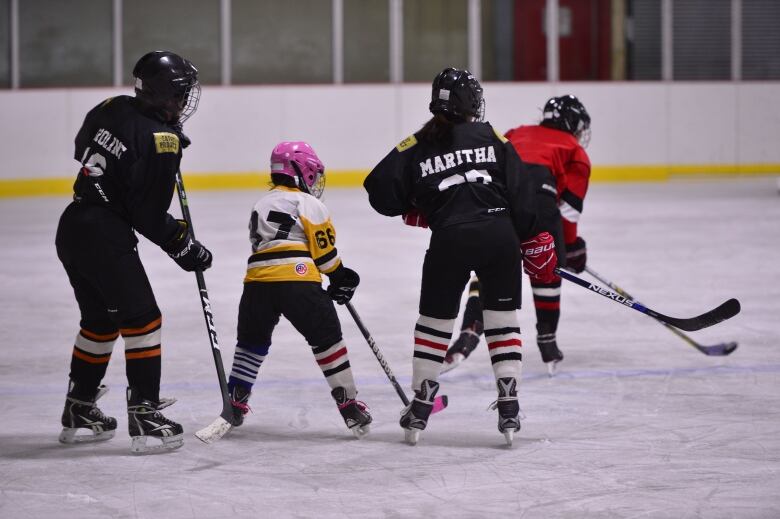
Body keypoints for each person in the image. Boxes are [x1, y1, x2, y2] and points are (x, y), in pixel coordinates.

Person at [363, 67, 556, 445]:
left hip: (450, 238)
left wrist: (420, 203)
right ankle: (509, 400)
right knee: (502, 320)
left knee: (434, 323)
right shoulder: (491, 136)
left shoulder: (418, 142)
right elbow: (521, 191)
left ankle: (421, 403)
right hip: (499, 236)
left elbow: (378, 190)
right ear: (472, 104)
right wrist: (533, 235)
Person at [56, 50, 212, 453]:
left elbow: (84, 152)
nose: (184, 101)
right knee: (143, 319)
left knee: (100, 322)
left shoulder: (110, 107)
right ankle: (144, 414)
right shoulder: (162, 141)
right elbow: (147, 213)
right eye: (180, 93)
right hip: (105, 235)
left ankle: (80, 407)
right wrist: (184, 246)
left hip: (73, 225)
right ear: (163, 94)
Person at [224, 141, 372, 438]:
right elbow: (324, 254)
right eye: (312, 174)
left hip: (256, 284)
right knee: (328, 339)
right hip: (298, 281)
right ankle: (349, 407)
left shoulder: (261, 203)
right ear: (301, 171)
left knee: (251, 343)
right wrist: (341, 276)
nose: (315, 181)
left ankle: (235, 403)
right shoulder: (309, 204)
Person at [442, 94, 592, 376]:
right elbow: (568, 212)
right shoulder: (575, 151)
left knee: (490, 268)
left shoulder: (517, 132)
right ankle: (548, 341)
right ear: (573, 123)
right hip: (541, 203)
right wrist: (571, 248)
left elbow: (490, 163)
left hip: (499, 200)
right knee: (548, 270)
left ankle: (468, 334)